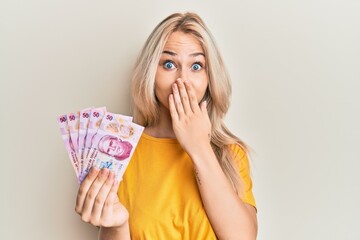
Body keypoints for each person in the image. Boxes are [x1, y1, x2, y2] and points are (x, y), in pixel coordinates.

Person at [75, 12, 258, 239]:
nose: (183, 80)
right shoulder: (120, 151)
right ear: (151, 73)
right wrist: (116, 225)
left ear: (210, 78)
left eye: (197, 66)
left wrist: (199, 146)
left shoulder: (232, 154)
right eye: (169, 64)